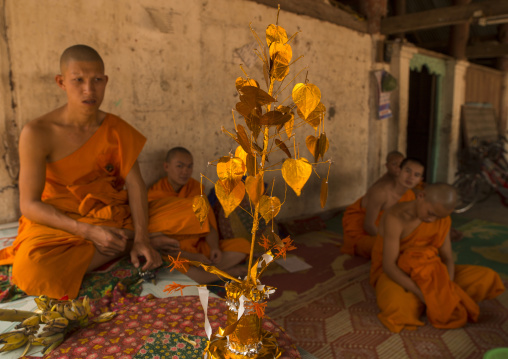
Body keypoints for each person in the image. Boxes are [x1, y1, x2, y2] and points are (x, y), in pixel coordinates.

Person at [0, 45, 162, 299]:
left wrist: (142, 236)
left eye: (97, 80)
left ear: (105, 81)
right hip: (58, 219)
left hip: (105, 213)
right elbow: (29, 204)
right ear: (61, 82)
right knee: (32, 269)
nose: (89, 89)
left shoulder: (117, 129)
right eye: (78, 80)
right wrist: (88, 232)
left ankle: (129, 242)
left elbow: (135, 185)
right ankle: (122, 245)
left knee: (186, 215)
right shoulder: (38, 132)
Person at [370, 183, 505, 333]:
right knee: (398, 307)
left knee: (487, 277)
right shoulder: (395, 217)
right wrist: (423, 294)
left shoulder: (442, 218)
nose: (432, 220)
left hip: (433, 272)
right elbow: (389, 266)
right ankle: (430, 303)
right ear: (421, 196)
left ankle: (432, 304)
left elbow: (447, 258)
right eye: (431, 213)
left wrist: (446, 286)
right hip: (400, 275)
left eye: (438, 217)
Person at [147, 147, 250, 284]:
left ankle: (204, 274)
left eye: (190, 166)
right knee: (172, 262)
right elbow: (157, 240)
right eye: (180, 166)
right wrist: (192, 257)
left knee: (242, 246)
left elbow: (208, 225)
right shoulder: (154, 195)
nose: (185, 171)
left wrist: (214, 248)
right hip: (176, 252)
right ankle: (225, 273)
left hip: (199, 246)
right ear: (166, 166)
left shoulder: (196, 188)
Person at [341, 158, 424, 259]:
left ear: (420, 180)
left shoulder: (410, 195)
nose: (410, 177)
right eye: (407, 171)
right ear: (399, 171)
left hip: (387, 232)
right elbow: (368, 225)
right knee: (393, 251)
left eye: (416, 175)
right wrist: (391, 241)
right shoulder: (381, 193)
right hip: (363, 234)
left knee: (419, 244)